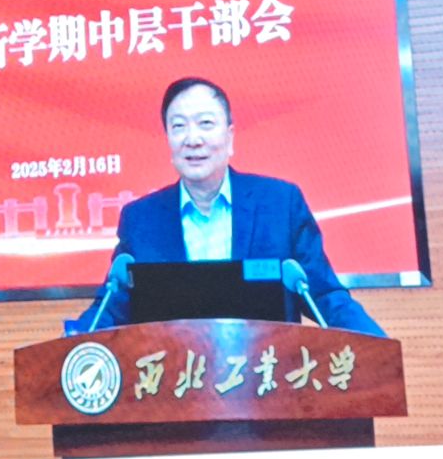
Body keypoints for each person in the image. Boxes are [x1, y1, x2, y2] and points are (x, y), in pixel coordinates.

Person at [69, 77, 385, 336]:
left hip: (267, 381)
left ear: (230, 137)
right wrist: (71, 345)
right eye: (178, 126)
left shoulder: (279, 204)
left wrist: (377, 346)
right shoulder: (141, 219)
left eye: (205, 123)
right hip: (173, 383)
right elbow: (113, 305)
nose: (192, 139)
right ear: (168, 140)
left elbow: (323, 295)